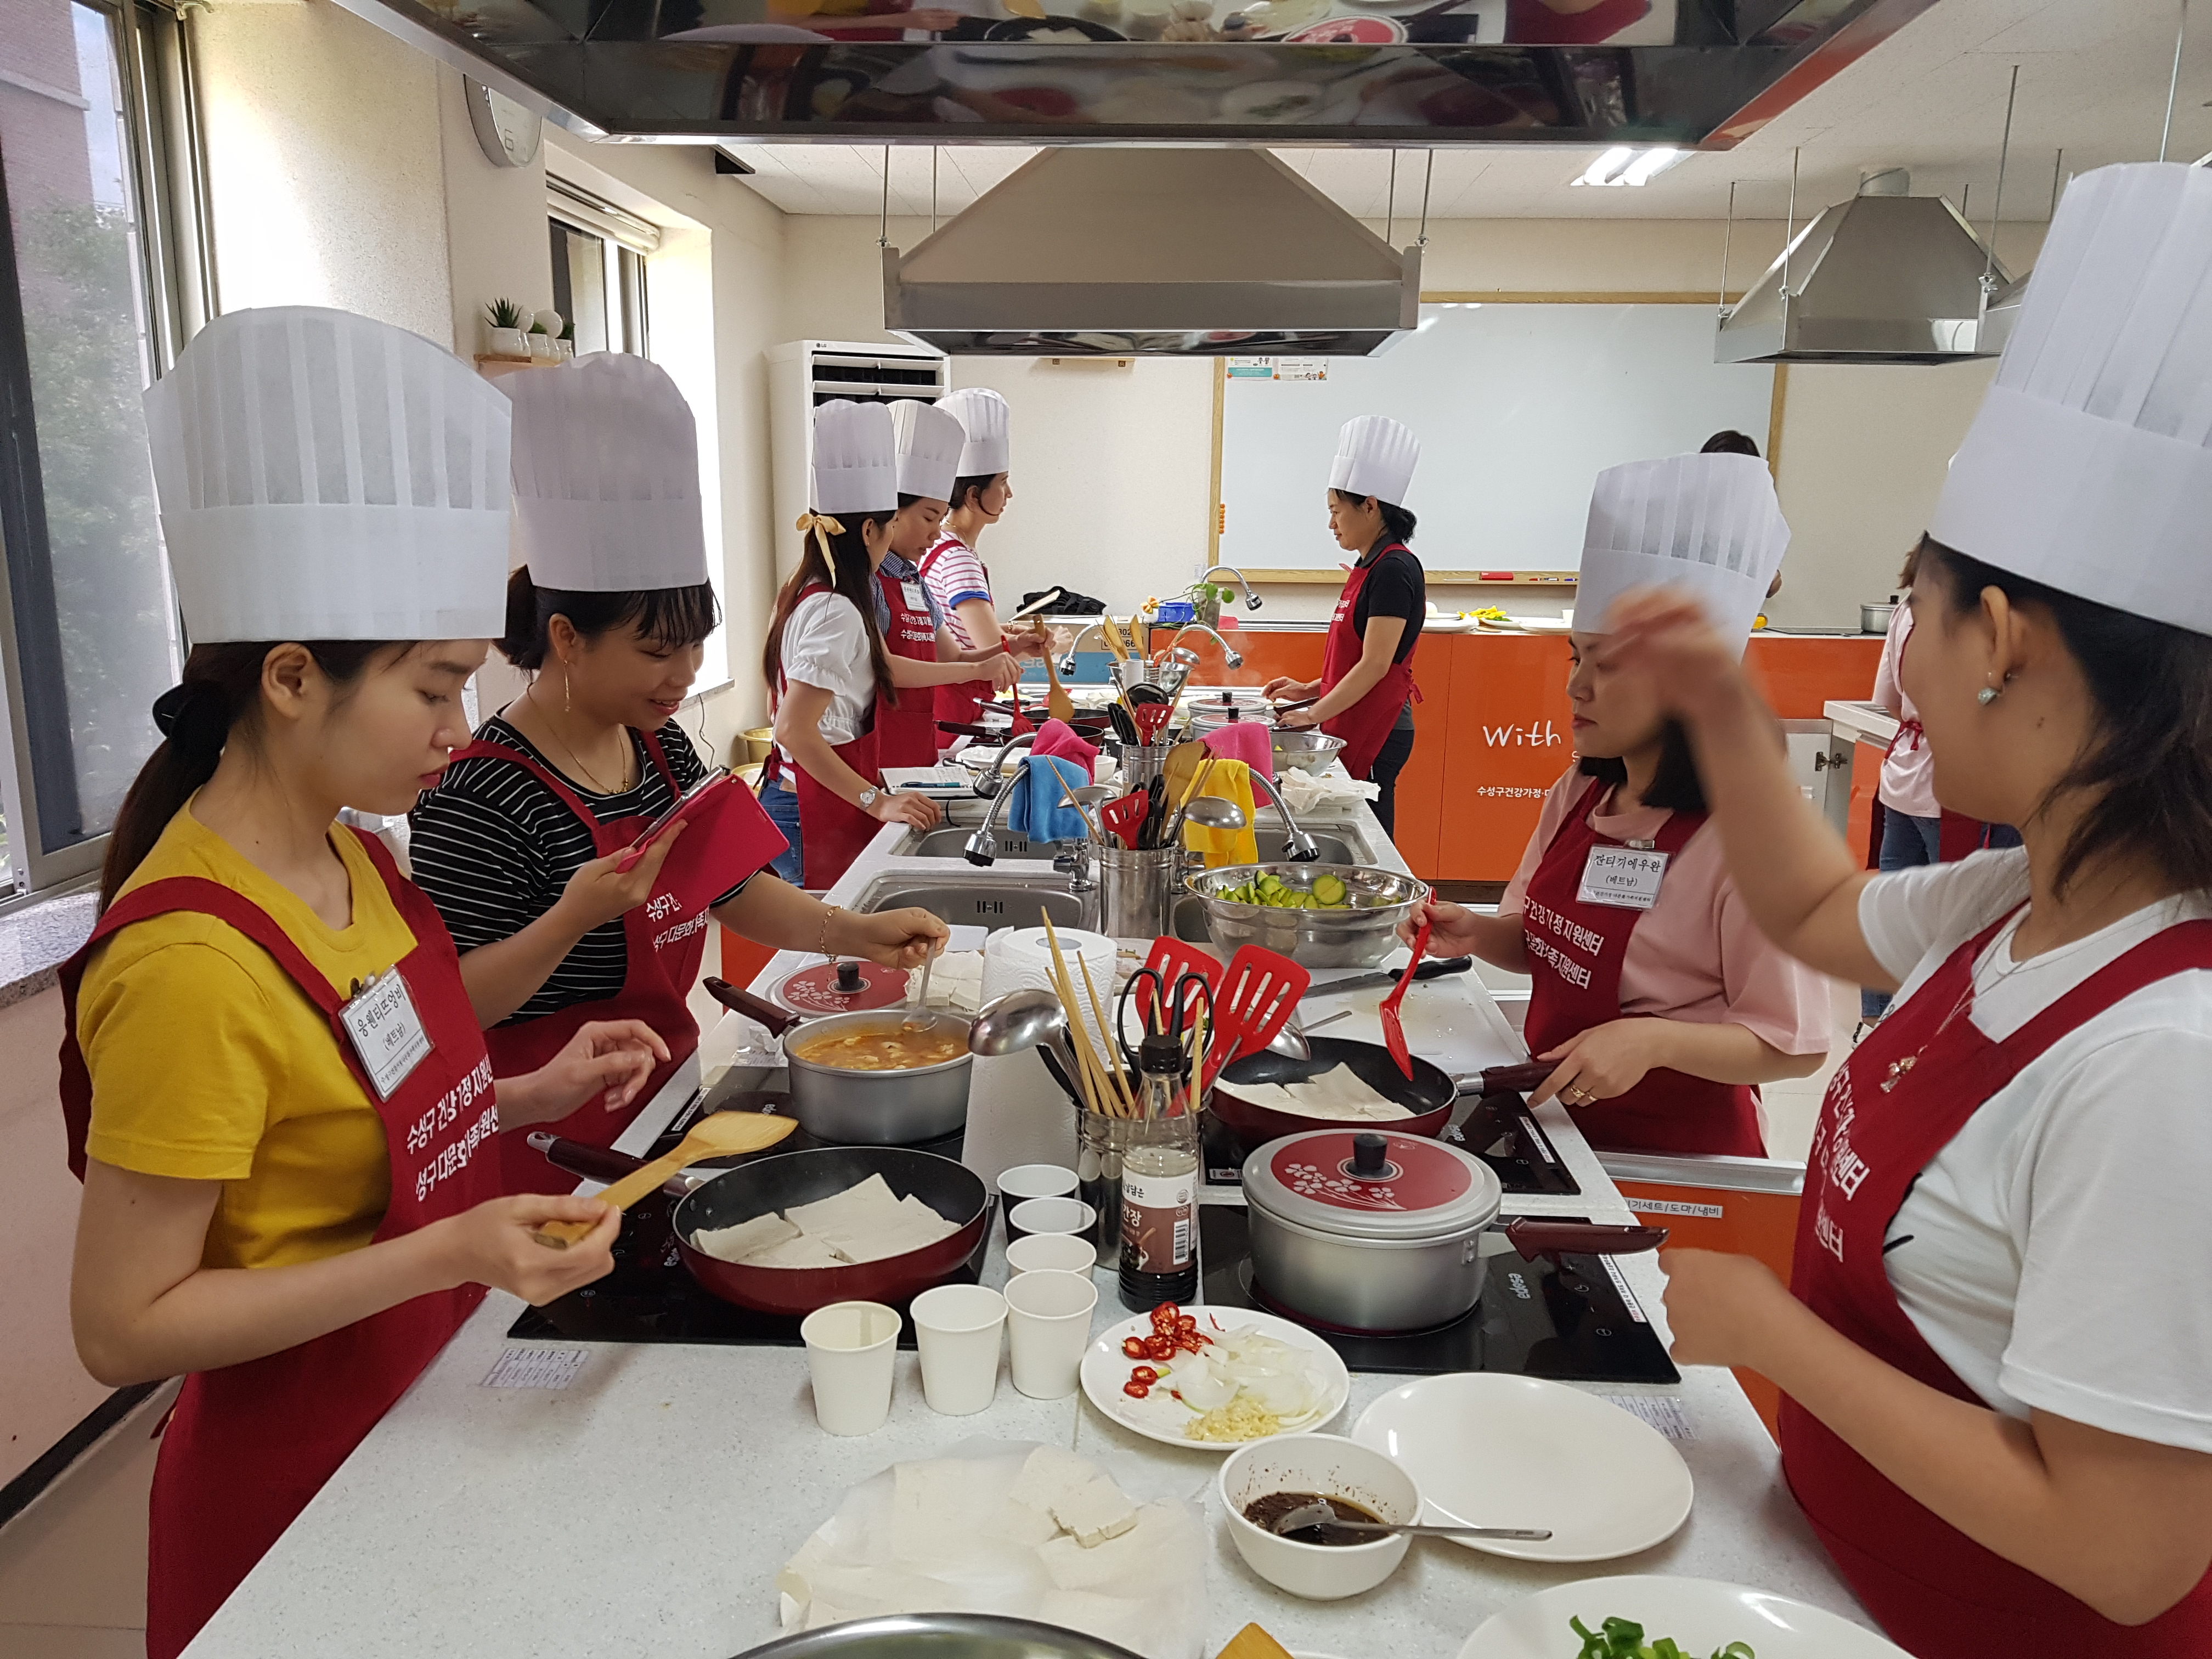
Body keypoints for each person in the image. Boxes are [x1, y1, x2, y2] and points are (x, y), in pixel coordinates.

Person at [1611, 162, 2212, 1656]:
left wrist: (1772, 1339)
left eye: (1914, 604)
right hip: (1840, 1588)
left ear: (1999, 638)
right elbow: (1822, 911)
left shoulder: (2167, 1054)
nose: (1910, 656)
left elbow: (2126, 1547)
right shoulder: (2033, 895)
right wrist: (1718, 695)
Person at [61, 308, 660, 1658]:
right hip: (293, 1488)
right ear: (289, 678)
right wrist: (447, 1250)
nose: (460, 733)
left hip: (434, 1393)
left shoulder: (365, 866)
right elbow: (120, 1326)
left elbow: (363, 1118)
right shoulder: (187, 965)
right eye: (434, 690)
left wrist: (521, 1095)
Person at [410, 354, 945, 1194]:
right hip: (543, 1152)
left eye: (695, 648)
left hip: (663, 1110)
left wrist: (851, 931)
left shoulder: (657, 748)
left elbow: (730, 889)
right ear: (566, 640)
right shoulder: (481, 796)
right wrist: (567, 921)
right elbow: (456, 1009)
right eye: (658, 652)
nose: (683, 677)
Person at [1403, 453, 1829, 1156]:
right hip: (1562, 1134)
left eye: (1611, 665)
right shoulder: (1581, 793)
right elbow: (1547, 947)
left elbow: (1795, 1046)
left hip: (1683, 1158)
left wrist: (1653, 1041)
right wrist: (1476, 934)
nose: (1576, 687)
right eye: (1577, 657)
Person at [766, 400, 1018, 889]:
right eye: (923, 518)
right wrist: (874, 800)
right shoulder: (837, 609)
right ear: (870, 530)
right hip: (810, 805)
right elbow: (792, 729)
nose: (930, 533)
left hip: (803, 795)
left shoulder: (810, 591)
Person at [1264, 416, 1426, 834]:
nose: (1331, 524)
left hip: (1379, 725)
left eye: (1337, 512)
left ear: (1370, 506)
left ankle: (1383, 898)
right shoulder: (1368, 565)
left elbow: (1376, 666)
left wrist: (1314, 713)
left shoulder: (1394, 569)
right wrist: (1308, 689)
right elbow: (1356, 659)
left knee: (1369, 833)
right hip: (1354, 714)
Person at [877, 397, 1038, 772]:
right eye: (930, 517)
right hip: (883, 751)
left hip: (918, 744)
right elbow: (886, 670)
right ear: (889, 515)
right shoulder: (866, 587)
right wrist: (982, 666)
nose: (937, 533)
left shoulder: (912, 577)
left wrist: (1014, 647)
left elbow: (956, 657)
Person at [1861, 544, 1938, 1023]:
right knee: (1949, 920)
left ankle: (1876, 1019)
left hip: (1903, 776)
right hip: (1948, 787)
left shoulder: (1904, 614)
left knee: (1891, 907)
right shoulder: (1966, 620)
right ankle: (1925, 1027)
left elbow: (1888, 698)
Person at [918, 387, 1023, 732]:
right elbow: (991, 652)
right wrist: (1031, 646)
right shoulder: (959, 559)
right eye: (1003, 483)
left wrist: (1014, 635)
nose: (1009, 493)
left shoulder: (942, 546)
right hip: (954, 717)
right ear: (974, 495)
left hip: (941, 710)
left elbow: (957, 630)